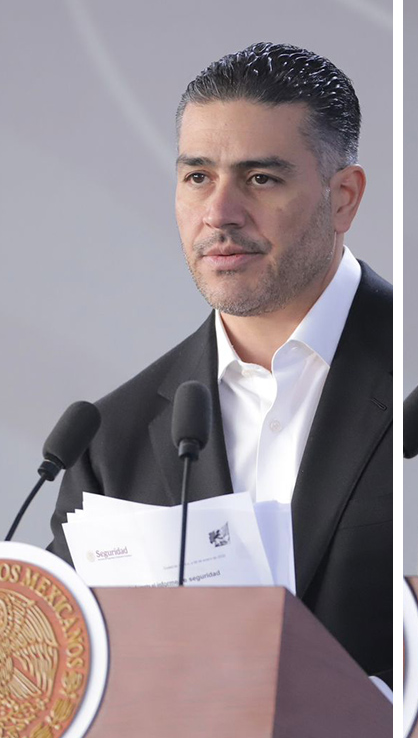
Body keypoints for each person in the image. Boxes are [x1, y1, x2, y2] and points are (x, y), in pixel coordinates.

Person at [48, 43, 392, 684]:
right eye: (197, 176)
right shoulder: (106, 442)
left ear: (343, 198)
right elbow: (63, 676)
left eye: (261, 178)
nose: (219, 213)